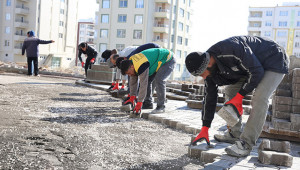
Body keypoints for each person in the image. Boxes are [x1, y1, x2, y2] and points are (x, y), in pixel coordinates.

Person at [185, 36, 289, 157]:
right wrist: (205, 127)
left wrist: (240, 97)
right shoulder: (209, 72)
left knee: (260, 98)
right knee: (230, 91)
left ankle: (246, 143)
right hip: (250, 67)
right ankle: (234, 134)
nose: (203, 77)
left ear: (208, 63)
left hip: (274, 59)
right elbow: (210, 98)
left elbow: (256, 72)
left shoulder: (231, 49)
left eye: (202, 74)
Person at [120, 48, 176, 114]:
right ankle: (148, 103)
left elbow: (143, 84)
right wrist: (132, 96)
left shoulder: (141, 65)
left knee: (159, 80)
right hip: (156, 62)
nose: (130, 75)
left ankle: (161, 106)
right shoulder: (131, 63)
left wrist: (139, 102)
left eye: (129, 73)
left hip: (168, 59)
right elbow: (133, 82)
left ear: (132, 67)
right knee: (148, 80)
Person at [106, 43, 161, 109]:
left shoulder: (131, 60)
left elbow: (136, 80)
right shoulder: (128, 61)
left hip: (156, 54)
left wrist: (137, 100)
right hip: (148, 58)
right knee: (146, 80)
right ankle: (146, 101)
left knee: (147, 80)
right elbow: (133, 79)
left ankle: (148, 102)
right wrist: (132, 96)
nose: (128, 74)